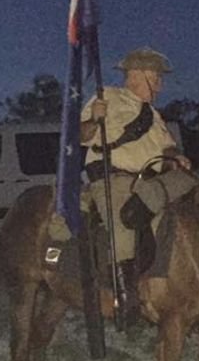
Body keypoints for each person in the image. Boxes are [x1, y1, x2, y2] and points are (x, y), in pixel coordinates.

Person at [79, 47, 191, 329]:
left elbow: (166, 146)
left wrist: (176, 155)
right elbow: (80, 135)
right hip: (115, 179)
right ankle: (124, 299)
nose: (160, 85)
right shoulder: (108, 97)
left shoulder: (153, 115)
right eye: (156, 78)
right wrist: (94, 119)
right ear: (136, 76)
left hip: (150, 183)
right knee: (123, 224)